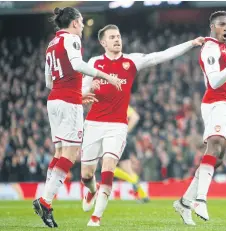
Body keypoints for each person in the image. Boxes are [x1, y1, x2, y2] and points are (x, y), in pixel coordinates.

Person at [80, 24, 204, 227]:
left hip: (117, 126)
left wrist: (191, 43)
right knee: (86, 175)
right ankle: (92, 190)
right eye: (112, 37)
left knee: (109, 167)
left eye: (118, 36)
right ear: (103, 42)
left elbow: (162, 55)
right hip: (93, 123)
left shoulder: (132, 60)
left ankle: (96, 216)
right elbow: (81, 93)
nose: (117, 39)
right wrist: (88, 89)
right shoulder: (94, 63)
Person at [32, 7, 122, 228]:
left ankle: (44, 199)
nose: (82, 26)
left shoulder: (51, 44)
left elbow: (48, 82)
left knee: (60, 151)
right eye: (81, 22)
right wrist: (105, 75)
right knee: (70, 153)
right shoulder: (71, 39)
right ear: (73, 23)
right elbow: (77, 64)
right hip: (67, 103)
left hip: (54, 100)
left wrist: (75, 94)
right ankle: (46, 201)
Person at [173, 11, 226, 226]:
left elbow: (225, 78)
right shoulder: (209, 48)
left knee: (218, 158)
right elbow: (214, 82)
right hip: (214, 103)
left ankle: (184, 202)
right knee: (215, 144)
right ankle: (200, 199)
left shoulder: (221, 48)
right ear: (212, 26)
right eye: (221, 24)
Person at [114, 106, 149, 203]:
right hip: (121, 139)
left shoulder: (117, 102)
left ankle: (135, 184)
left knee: (108, 167)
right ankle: (143, 195)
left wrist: (125, 131)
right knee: (128, 170)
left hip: (117, 138)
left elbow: (135, 117)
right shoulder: (119, 102)